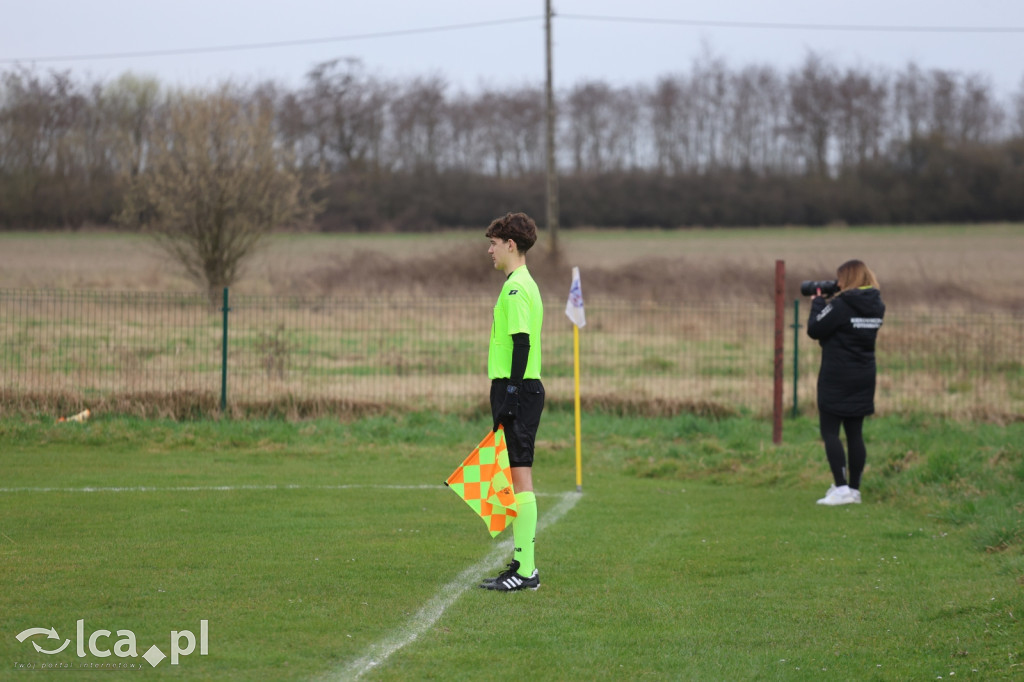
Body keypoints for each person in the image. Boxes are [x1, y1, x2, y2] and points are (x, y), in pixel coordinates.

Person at [479, 212, 545, 591]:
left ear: (510, 245)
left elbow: (522, 343)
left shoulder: (517, 287)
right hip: (513, 389)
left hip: (517, 390)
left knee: (520, 478)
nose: (490, 250)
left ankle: (527, 571)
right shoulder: (518, 284)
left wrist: (512, 393)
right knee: (515, 476)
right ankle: (522, 563)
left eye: (493, 244)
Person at [806, 259, 885, 506]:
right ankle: (854, 490)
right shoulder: (877, 304)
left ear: (849, 279)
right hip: (864, 374)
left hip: (837, 375)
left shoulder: (842, 305)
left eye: (840, 279)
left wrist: (818, 303)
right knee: (855, 433)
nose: (837, 284)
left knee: (830, 431)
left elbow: (815, 329)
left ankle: (841, 489)